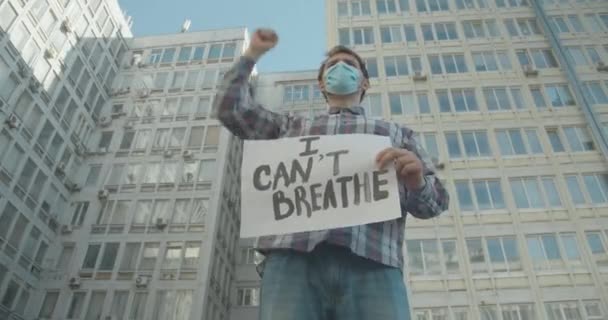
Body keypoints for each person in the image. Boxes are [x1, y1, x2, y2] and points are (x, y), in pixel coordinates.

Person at [214, 28, 449, 320]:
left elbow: (435, 203)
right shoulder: (289, 127)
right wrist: (251, 55)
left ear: (365, 82)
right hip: (293, 263)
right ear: (321, 84)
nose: (340, 68)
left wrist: (417, 181)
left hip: (373, 264)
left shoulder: (397, 134)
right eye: (332, 65)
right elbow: (229, 109)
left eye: (349, 65)